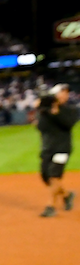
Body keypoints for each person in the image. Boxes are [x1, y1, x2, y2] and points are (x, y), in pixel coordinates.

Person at [35, 83, 77, 218]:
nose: (65, 95)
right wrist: (41, 111)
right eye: (62, 92)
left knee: (54, 175)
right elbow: (40, 127)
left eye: (66, 93)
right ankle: (67, 195)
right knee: (45, 176)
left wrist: (56, 113)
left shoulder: (71, 110)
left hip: (62, 148)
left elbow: (68, 124)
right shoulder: (44, 112)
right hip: (48, 148)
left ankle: (50, 206)